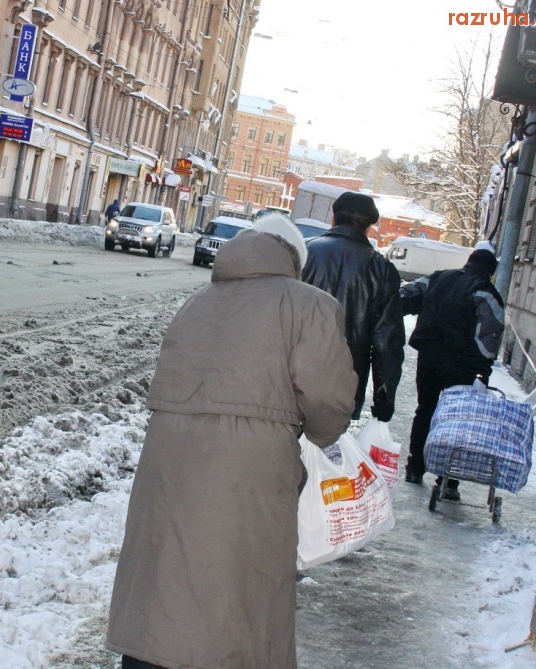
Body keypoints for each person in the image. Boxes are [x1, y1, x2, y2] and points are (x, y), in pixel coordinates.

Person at [107, 214, 358, 669]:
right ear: (293, 261)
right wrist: (324, 435)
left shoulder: (197, 301)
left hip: (167, 461)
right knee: (236, 591)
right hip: (248, 469)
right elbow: (328, 397)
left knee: (163, 577)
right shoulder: (310, 305)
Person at [400, 244, 505, 500]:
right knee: (456, 420)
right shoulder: (486, 292)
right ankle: (448, 480)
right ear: (490, 272)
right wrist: (483, 371)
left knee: (425, 409)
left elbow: (405, 296)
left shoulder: (438, 277)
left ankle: (415, 468)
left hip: (428, 357)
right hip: (462, 365)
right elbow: (488, 338)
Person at [301, 191, 405, 423]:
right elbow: (387, 342)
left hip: (292, 373)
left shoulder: (303, 252)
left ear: (334, 218)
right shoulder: (382, 270)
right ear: (370, 226)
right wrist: (385, 397)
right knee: (329, 453)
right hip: (345, 382)